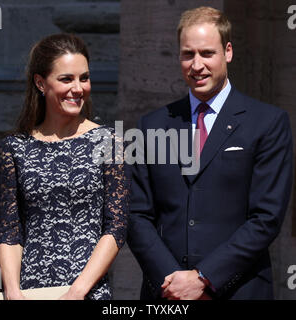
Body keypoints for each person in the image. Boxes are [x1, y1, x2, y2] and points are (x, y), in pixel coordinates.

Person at [127, 6, 293, 300]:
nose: (197, 64)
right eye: (188, 54)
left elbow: (266, 217)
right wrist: (175, 282)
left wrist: (204, 279)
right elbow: (137, 214)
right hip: (166, 294)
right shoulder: (151, 125)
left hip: (239, 291)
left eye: (207, 53)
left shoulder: (267, 123)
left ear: (227, 52)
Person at [0, 33, 130, 300]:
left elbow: (116, 227)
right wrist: (11, 291)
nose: (78, 88)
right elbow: (9, 230)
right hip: (29, 292)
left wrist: (77, 291)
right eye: (67, 79)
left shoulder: (109, 143)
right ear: (40, 83)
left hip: (88, 291)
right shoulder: (14, 148)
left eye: (84, 78)